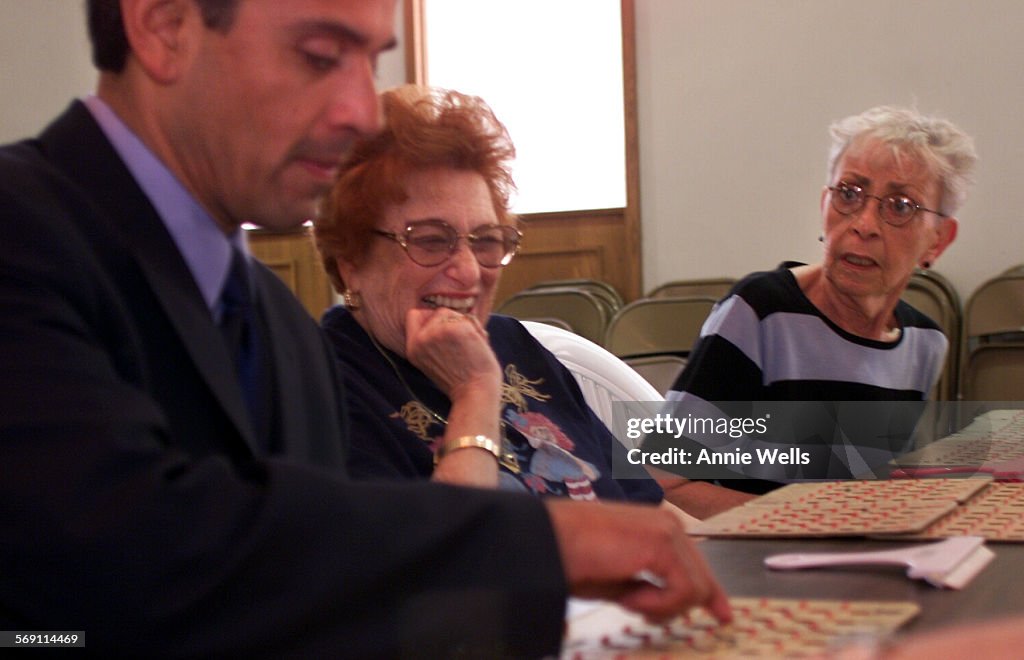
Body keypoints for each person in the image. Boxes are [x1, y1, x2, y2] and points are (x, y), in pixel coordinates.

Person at [0, 0, 730, 655]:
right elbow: (106, 571)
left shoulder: (280, 316)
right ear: (165, 28)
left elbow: (661, 467)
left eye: (486, 240)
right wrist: (532, 541)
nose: (358, 110)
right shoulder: (24, 229)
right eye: (320, 55)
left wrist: (808, 479)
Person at [314, 84, 687, 515]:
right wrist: (475, 392)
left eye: (486, 241)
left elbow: (651, 512)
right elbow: (450, 563)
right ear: (350, 260)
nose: (470, 270)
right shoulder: (321, 387)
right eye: (432, 241)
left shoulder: (513, 343)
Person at [656, 106, 978, 518]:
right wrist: (819, 523)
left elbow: (878, 489)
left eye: (900, 206)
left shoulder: (925, 344)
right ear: (825, 204)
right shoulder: (761, 314)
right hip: (761, 566)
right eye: (849, 193)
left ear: (937, 241)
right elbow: (666, 481)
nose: (864, 224)